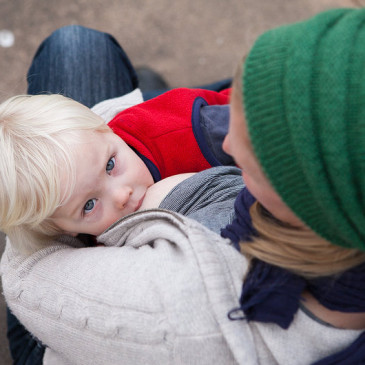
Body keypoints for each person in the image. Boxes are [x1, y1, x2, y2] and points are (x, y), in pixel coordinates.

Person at [4, 7, 365, 364]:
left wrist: (32, 222)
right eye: (88, 205)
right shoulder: (323, 249)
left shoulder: (195, 306)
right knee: (78, 45)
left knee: (75, 46)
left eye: (255, 157)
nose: (122, 195)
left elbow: (26, 271)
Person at [0, 92, 232, 255]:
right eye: (89, 205)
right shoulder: (89, 247)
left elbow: (260, 136)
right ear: (63, 230)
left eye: (110, 165)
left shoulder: (195, 133)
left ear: (108, 129)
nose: (121, 195)